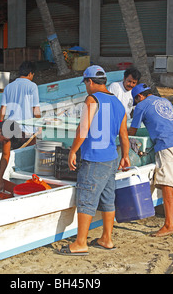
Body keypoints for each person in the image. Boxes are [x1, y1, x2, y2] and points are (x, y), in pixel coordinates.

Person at [57, 65, 130, 256]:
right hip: (111, 157)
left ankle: (80, 242)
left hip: (95, 158)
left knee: (86, 198)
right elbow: (124, 135)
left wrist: (73, 151)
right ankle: (107, 238)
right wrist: (126, 156)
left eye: (86, 83)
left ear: (90, 82)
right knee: (108, 199)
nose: (86, 87)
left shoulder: (92, 99)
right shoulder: (118, 103)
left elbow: (83, 129)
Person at [128, 83, 173, 237]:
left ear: (139, 97)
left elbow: (132, 131)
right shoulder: (165, 101)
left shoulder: (141, 105)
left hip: (166, 144)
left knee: (167, 184)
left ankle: (169, 225)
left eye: (136, 100)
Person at [0, 61, 41, 148]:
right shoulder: (32, 86)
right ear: (30, 73)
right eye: (33, 75)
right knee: (28, 154)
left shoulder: (8, 87)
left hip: (11, 127)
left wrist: (1, 124)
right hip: (27, 129)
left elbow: (3, 108)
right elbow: (35, 109)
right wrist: (40, 124)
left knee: (13, 152)